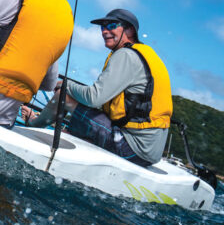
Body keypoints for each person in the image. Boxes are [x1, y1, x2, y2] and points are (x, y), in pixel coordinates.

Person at [56, 9, 172, 167]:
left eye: (111, 25)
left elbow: (93, 98)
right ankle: (66, 132)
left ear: (129, 30)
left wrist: (66, 85)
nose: (105, 31)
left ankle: (34, 124)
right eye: (102, 27)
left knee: (62, 96)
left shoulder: (126, 55)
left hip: (133, 147)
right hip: (149, 152)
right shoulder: (142, 53)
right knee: (72, 128)